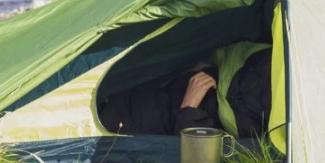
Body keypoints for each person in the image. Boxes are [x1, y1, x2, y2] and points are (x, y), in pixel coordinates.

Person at [98, 44, 272, 140]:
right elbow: (186, 157)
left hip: (218, 85)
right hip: (222, 106)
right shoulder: (109, 140)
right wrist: (189, 106)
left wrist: (191, 74)